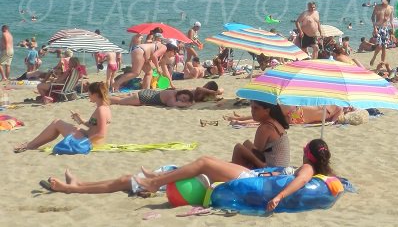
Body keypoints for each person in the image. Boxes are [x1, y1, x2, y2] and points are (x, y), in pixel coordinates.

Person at [41, 139, 333, 214]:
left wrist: (280, 196)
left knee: (204, 161)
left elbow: (300, 181)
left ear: (309, 156)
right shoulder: (313, 166)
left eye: (305, 149)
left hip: (248, 181)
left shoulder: (308, 169)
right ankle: (76, 187)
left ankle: (153, 182)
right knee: (125, 179)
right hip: (251, 177)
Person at [14, 82, 111, 152]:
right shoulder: (103, 108)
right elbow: (94, 126)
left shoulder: (101, 110)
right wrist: (81, 120)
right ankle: (32, 144)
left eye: (89, 93)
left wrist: (83, 142)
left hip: (90, 142)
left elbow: (101, 134)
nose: (88, 95)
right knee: (59, 123)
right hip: (89, 137)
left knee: (57, 123)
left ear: (96, 94)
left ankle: (31, 145)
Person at [231, 100, 290, 169]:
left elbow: (256, 154)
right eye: (252, 108)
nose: (252, 111)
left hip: (273, 170)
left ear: (267, 111)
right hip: (281, 167)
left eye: (256, 108)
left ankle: (233, 174)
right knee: (246, 144)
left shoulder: (265, 127)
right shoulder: (275, 122)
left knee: (238, 148)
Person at [370, 0, 394, 67]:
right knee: (379, 46)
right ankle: (374, 57)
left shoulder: (391, 8)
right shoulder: (377, 7)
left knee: (384, 47)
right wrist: (374, 28)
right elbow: (372, 17)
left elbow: (391, 20)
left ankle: (382, 63)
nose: (382, 0)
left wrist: (393, 29)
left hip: (385, 28)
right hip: (378, 28)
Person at [109, 89, 194, 108]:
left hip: (145, 93)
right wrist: (187, 104)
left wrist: (186, 102)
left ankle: (107, 98)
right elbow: (171, 104)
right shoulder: (172, 95)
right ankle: (105, 100)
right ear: (181, 93)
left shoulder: (174, 92)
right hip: (143, 98)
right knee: (120, 101)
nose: (183, 100)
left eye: (185, 100)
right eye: (183, 97)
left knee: (121, 98)